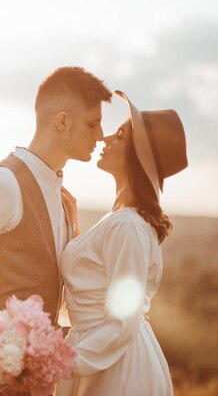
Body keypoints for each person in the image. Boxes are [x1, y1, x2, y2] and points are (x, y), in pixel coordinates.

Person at [0, 66, 112, 396]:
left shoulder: (62, 196)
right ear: (62, 121)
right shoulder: (3, 183)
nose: (100, 135)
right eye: (92, 123)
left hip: (41, 381)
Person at [56, 91, 188, 396]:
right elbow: (93, 284)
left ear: (137, 155)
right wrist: (75, 229)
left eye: (120, 135)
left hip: (117, 368)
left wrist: (60, 361)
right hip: (104, 355)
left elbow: (123, 321)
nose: (105, 139)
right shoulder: (121, 220)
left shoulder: (127, 226)